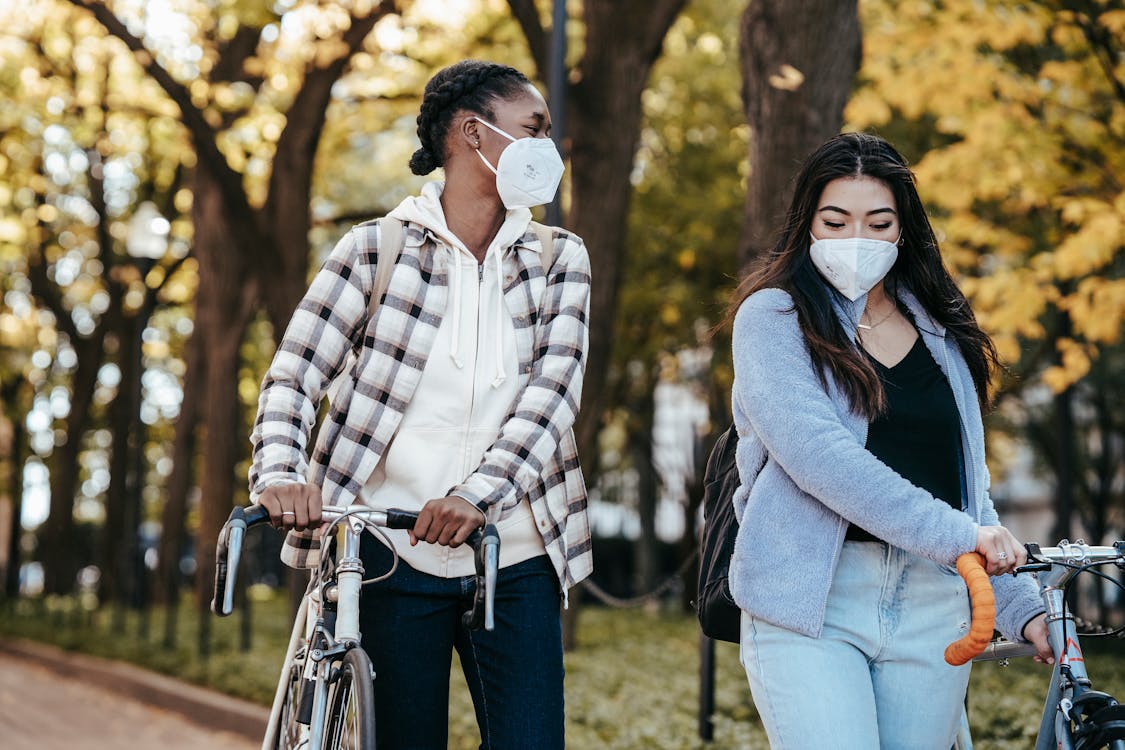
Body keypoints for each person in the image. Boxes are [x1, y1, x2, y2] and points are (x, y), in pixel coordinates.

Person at [248, 60, 592, 749]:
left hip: (511, 556)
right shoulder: (375, 249)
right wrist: (280, 472)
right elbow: (293, 374)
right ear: (473, 133)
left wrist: (477, 496)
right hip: (386, 556)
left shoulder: (558, 257)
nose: (547, 148)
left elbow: (553, 394)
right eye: (533, 130)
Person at [726, 132, 1051, 749]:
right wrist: (961, 536)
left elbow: (967, 489)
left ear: (903, 230)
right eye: (836, 220)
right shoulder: (773, 318)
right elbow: (822, 459)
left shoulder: (941, 330)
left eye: (879, 222)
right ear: (807, 225)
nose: (857, 240)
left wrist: (1022, 607)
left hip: (937, 602)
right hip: (812, 602)